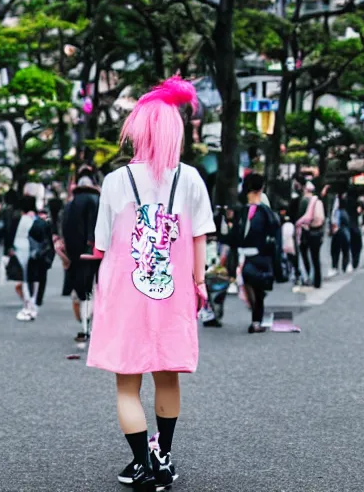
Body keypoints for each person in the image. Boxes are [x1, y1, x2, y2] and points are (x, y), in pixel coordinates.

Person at [84, 76, 214, 491]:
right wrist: (200, 281)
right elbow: (199, 236)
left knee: (127, 382)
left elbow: (101, 244)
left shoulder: (115, 182)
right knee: (168, 376)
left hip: (125, 294)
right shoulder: (191, 179)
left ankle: (142, 463)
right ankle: (164, 457)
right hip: (174, 294)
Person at [223, 173, 281, 334]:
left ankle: (255, 317)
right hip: (261, 256)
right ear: (261, 189)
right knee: (259, 290)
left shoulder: (240, 212)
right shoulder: (266, 213)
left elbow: (233, 237)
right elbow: (273, 236)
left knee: (249, 286)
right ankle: (256, 320)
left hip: (243, 257)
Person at [60, 167, 101, 341]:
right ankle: (92, 325)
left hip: (75, 252)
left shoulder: (71, 203)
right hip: (95, 251)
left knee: (82, 290)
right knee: (95, 287)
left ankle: (85, 326)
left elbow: (64, 228)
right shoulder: (96, 200)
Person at [4, 194, 39, 321]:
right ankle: (30, 304)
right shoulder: (32, 218)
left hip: (20, 248)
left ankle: (29, 304)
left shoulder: (21, 218)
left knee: (24, 279)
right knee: (28, 279)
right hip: (29, 248)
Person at [295, 182, 326, 290]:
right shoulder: (318, 201)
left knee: (305, 255)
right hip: (318, 231)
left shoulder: (304, 201)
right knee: (316, 257)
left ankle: (307, 277)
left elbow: (301, 217)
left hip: (307, 231)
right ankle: (317, 280)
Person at [327, 193, 351, 277]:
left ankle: (336, 267)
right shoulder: (342, 212)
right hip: (342, 232)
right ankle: (343, 266)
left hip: (339, 232)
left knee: (336, 251)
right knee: (343, 250)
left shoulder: (338, 212)